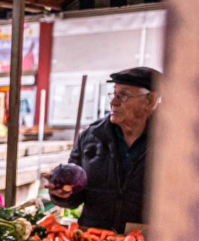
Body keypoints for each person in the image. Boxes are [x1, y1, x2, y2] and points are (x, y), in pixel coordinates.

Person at [47, 67, 161, 232]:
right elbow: (74, 196)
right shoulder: (91, 137)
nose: (113, 102)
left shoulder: (173, 143)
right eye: (114, 94)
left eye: (123, 96)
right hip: (94, 239)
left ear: (150, 100)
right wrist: (61, 193)